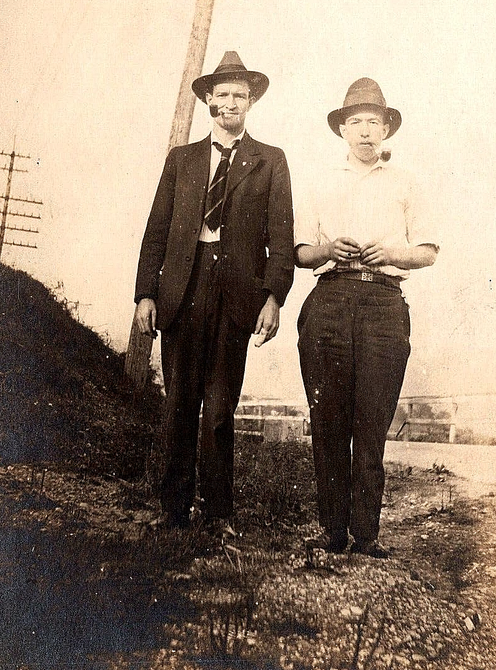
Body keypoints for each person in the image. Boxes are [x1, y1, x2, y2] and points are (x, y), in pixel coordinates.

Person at [134, 51, 294, 531]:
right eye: (222, 94)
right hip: (183, 287)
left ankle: (219, 512)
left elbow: (281, 235)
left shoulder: (271, 161)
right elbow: (156, 230)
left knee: (221, 406)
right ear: (207, 100)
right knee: (179, 400)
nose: (231, 103)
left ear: (251, 103)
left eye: (240, 96)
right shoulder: (181, 160)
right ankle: (174, 510)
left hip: (237, 292)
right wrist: (146, 293)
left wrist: (274, 296)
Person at [295, 78, 438, 557]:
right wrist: (328, 249)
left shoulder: (407, 182)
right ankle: (332, 530)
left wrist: (392, 252)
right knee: (329, 417)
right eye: (355, 121)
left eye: (374, 122)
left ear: (386, 129)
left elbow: (427, 252)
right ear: (341, 129)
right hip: (330, 298)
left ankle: (366, 535)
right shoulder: (320, 180)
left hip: (384, 302)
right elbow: (299, 252)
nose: (365, 131)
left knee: (372, 419)